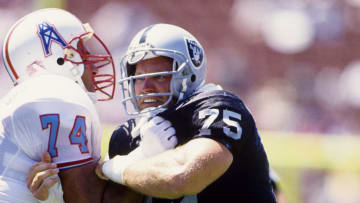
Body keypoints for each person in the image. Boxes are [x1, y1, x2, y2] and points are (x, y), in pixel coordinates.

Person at [96, 23, 277, 202]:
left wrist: (121, 167)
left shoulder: (218, 108)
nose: (146, 88)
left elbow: (182, 177)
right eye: (139, 78)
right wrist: (139, 155)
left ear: (190, 75)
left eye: (159, 76)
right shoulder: (129, 135)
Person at [0, 8, 140, 203]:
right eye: (83, 53)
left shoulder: (27, 98)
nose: (92, 63)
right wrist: (145, 161)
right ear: (59, 60)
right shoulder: (58, 96)